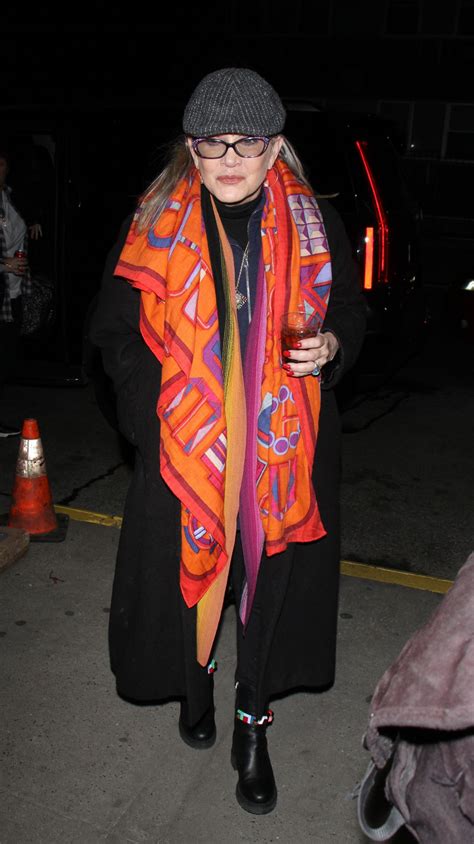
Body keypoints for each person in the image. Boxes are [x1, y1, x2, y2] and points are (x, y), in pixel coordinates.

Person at [90, 67, 367, 815]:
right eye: (214, 143)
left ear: (276, 147)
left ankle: (254, 725)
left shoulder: (317, 224)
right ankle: (195, 692)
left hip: (282, 447)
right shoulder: (154, 220)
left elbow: (350, 311)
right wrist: (156, 418)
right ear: (193, 147)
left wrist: (335, 345)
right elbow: (113, 334)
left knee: (265, 582)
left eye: (249, 141)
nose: (232, 158)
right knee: (198, 578)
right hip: (188, 448)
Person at [0, 148, 42, 437]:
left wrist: (33, 220)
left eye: (1, 163)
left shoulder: (10, 195)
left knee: (5, 360)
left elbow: (22, 213)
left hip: (10, 294)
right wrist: (5, 263)